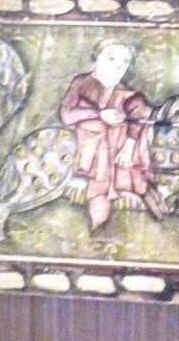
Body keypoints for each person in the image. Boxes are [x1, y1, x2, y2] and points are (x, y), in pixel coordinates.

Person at [59, 39, 165, 230]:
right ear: (96, 59)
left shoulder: (130, 96)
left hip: (119, 152)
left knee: (137, 180)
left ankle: (161, 213)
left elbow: (140, 118)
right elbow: (67, 116)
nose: (118, 66)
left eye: (124, 62)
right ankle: (98, 226)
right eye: (111, 58)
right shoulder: (81, 83)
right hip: (88, 148)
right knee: (102, 180)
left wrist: (129, 144)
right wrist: (100, 114)